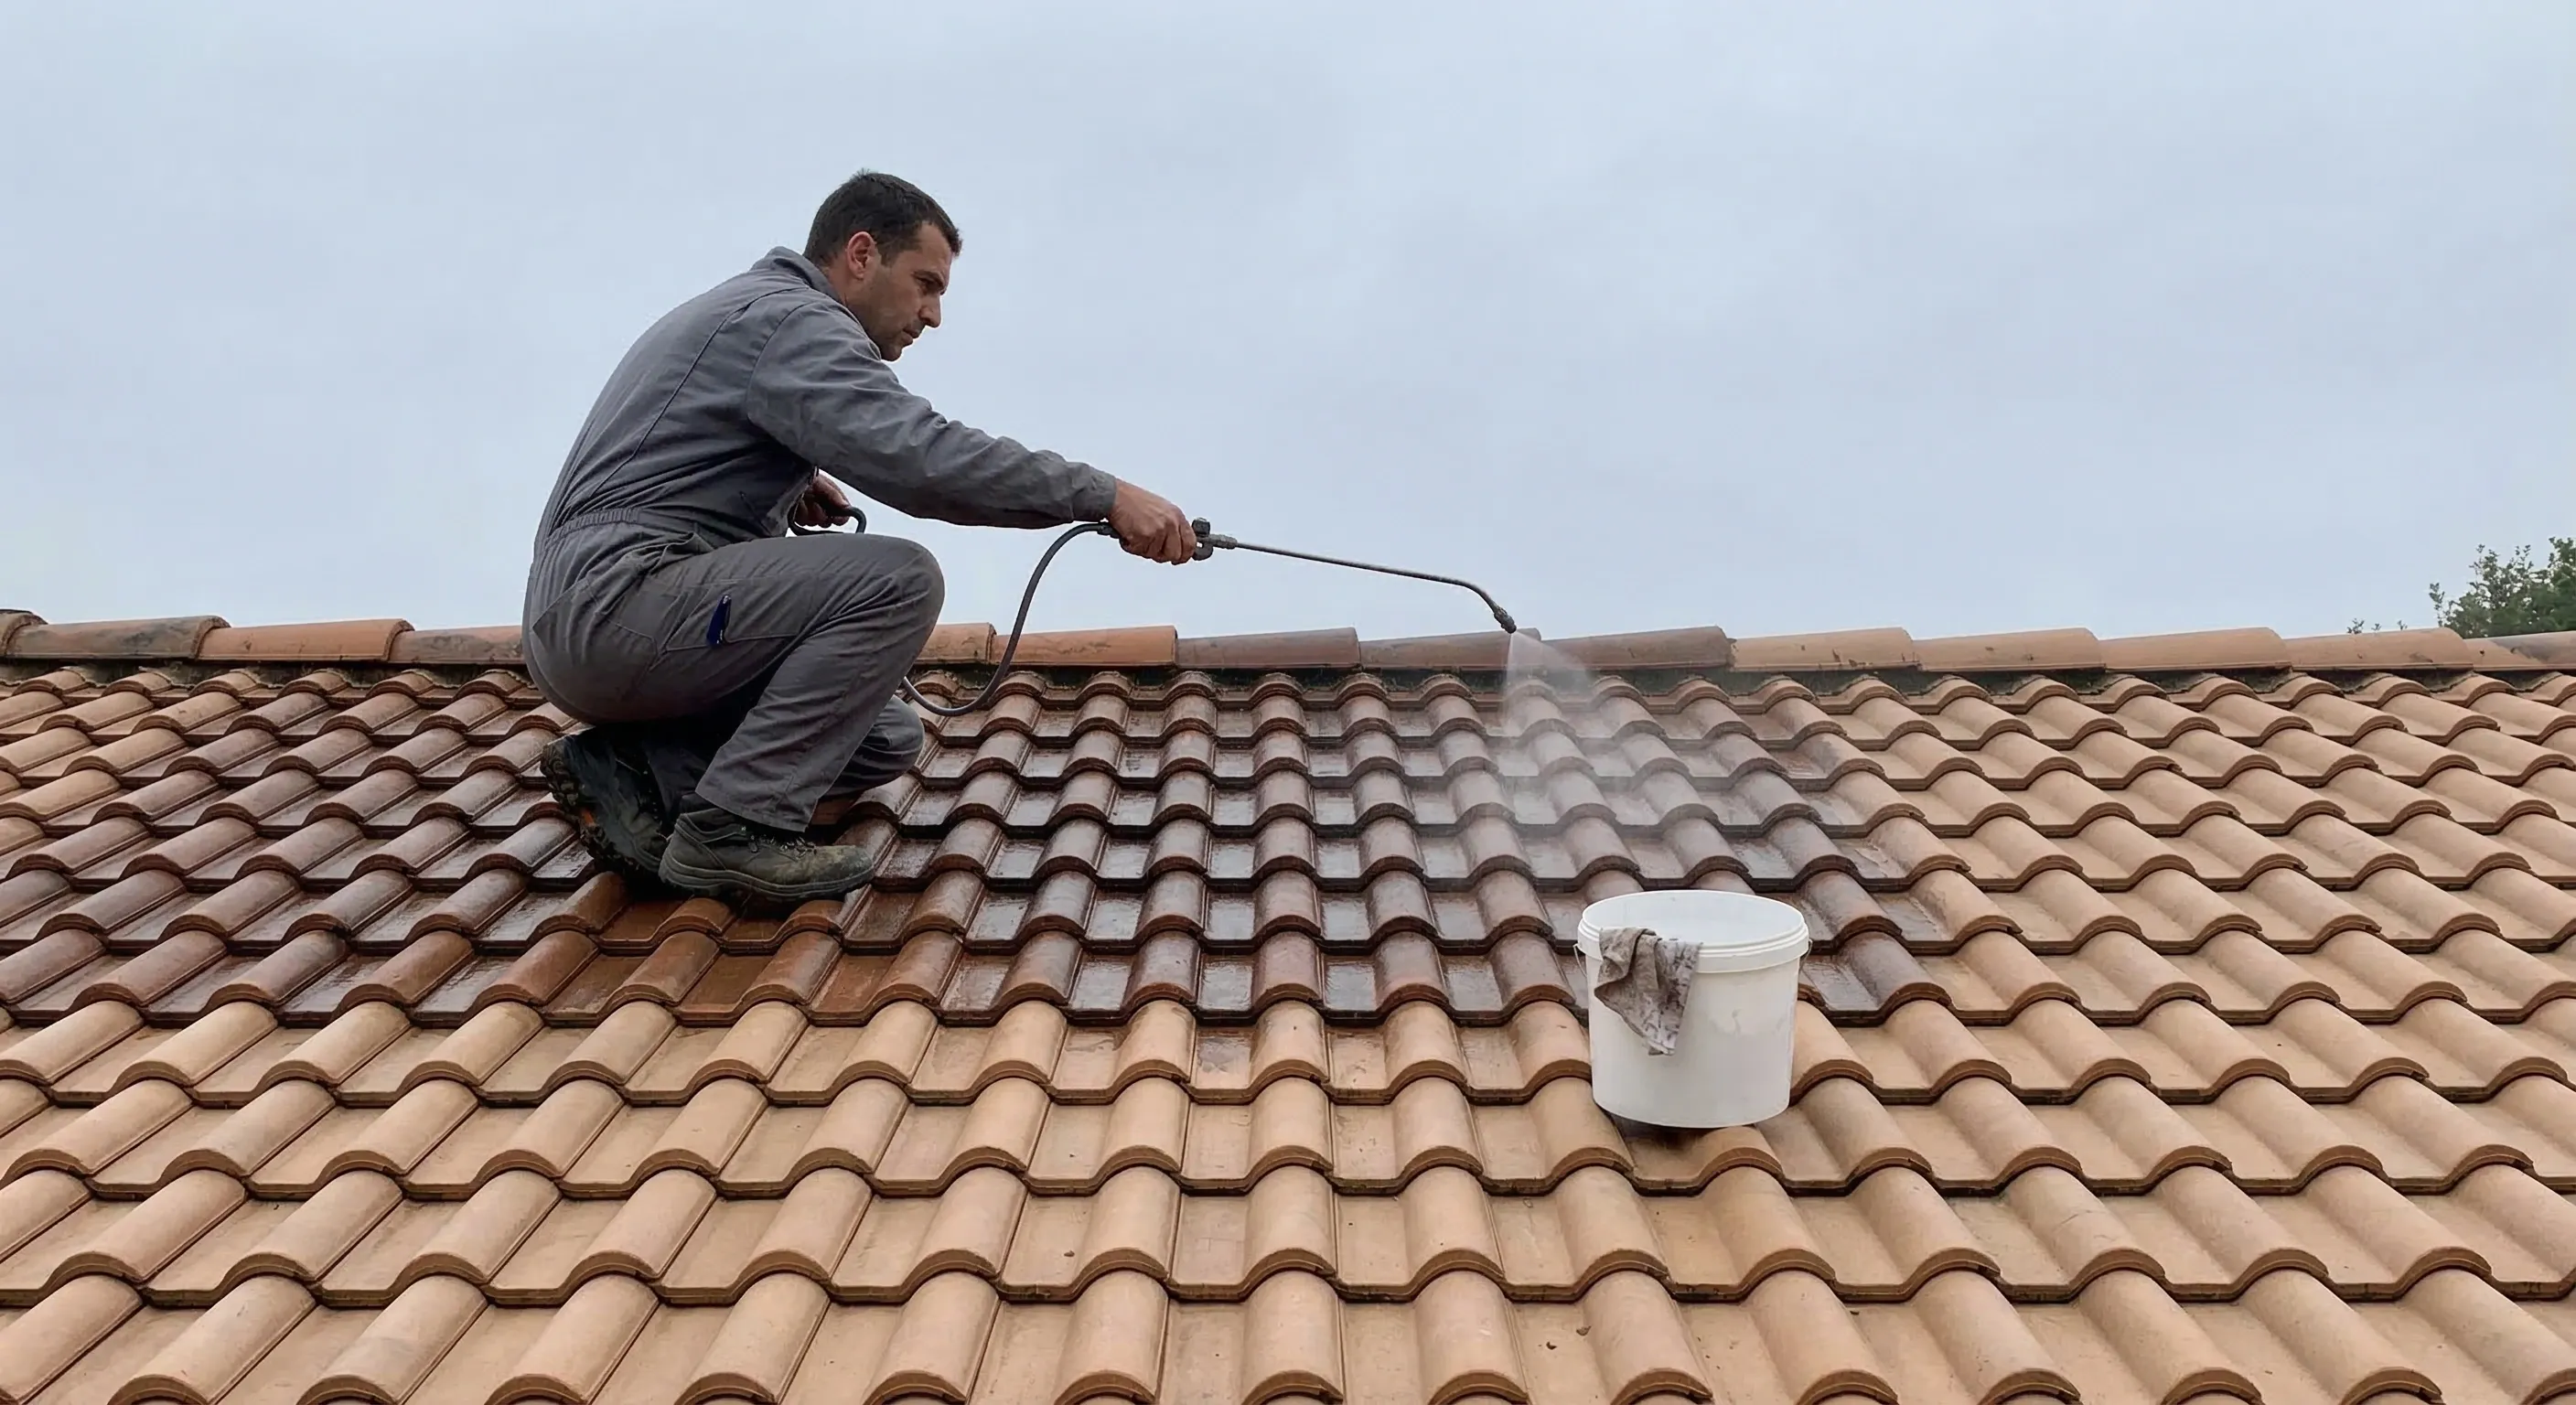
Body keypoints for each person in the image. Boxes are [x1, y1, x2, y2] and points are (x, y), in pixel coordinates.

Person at [521, 170, 1196, 906]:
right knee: (898, 579)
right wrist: (1104, 494)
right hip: (619, 605)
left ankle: (637, 775)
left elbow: (669, 445)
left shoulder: (743, 312)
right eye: (926, 284)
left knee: (881, 736)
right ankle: (729, 831)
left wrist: (777, 478)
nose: (933, 315)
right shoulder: (792, 320)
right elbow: (921, 457)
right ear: (863, 254)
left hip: (595, 615)